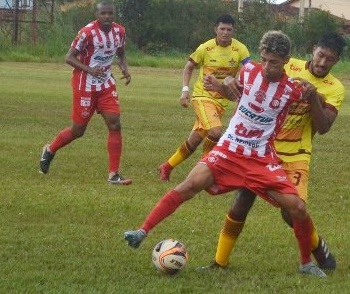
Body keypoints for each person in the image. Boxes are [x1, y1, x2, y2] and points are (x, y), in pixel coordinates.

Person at [124, 31, 327, 278]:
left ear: (285, 60)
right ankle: (142, 232)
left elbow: (322, 108)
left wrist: (315, 95)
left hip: (260, 158)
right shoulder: (249, 70)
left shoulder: (291, 89)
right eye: (263, 59)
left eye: (273, 62)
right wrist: (222, 85)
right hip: (229, 149)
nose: (266, 66)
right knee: (189, 185)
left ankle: (306, 264)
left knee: (297, 208)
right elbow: (233, 91)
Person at [199, 33, 346, 271]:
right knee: (242, 202)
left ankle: (317, 246)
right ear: (313, 49)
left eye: (330, 59)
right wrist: (226, 81)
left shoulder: (335, 88)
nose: (322, 62)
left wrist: (313, 100)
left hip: (297, 154)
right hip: (263, 149)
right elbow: (248, 81)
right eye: (320, 55)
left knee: (292, 212)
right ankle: (219, 262)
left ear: (336, 61)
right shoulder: (288, 64)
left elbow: (324, 127)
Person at [39, 1, 132, 185]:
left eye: (110, 14)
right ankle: (50, 149)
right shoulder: (87, 33)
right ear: (96, 15)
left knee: (115, 124)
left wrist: (124, 68)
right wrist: (89, 69)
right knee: (78, 130)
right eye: (103, 13)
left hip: (106, 84)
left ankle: (113, 175)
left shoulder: (119, 31)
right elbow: (69, 57)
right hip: (85, 86)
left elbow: (120, 53)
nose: (107, 17)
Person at [158, 14, 251, 181]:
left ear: (233, 31)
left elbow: (249, 69)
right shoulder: (205, 48)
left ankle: (166, 166)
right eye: (222, 29)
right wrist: (185, 90)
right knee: (215, 131)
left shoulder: (240, 49)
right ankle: (205, 170)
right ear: (216, 29)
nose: (225, 33)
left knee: (194, 141)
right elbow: (188, 67)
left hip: (221, 101)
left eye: (229, 30)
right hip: (202, 97)